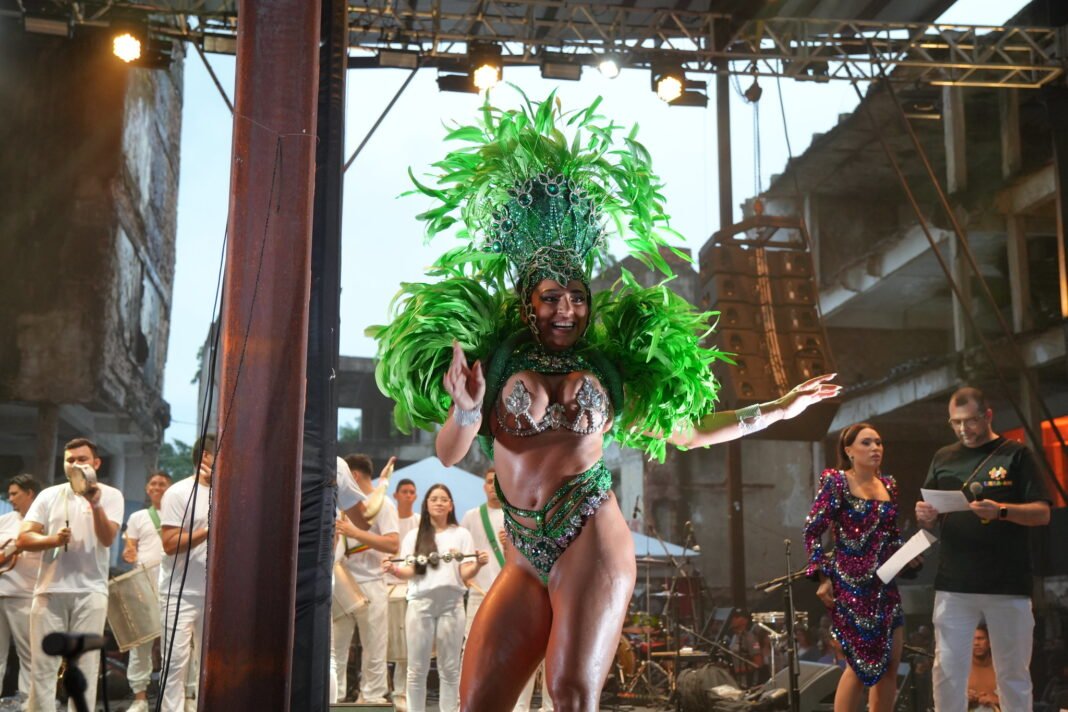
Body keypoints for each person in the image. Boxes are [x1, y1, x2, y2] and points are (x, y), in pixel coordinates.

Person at [368, 93, 838, 711]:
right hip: (523, 549)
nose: (567, 308)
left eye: (578, 297)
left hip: (589, 533)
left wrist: (776, 409)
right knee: (477, 699)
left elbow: (689, 431)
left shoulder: (607, 371)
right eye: (552, 298)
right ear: (528, 303)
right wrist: (467, 410)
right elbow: (451, 455)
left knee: (570, 695)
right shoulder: (496, 362)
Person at [916, 387, 1051, 712]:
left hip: (1008, 583)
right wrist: (924, 515)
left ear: (988, 415)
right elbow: (929, 513)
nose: (963, 429)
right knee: (946, 672)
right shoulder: (943, 457)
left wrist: (1002, 510)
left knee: (1013, 674)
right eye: (956, 422)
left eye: (970, 421)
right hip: (954, 583)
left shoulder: (1016, 454)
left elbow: (1042, 513)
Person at [804, 423, 913, 712]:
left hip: (885, 586)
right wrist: (823, 577)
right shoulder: (837, 482)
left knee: (891, 662)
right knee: (858, 666)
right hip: (850, 587)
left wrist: (908, 555)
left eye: (878, 442)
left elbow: (892, 536)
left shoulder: (889, 485)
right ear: (849, 450)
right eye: (866, 443)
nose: (875, 448)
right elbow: (812, 531)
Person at [18, 437, 124, 712]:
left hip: (90, 592)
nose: (75, 464)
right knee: (42, 665)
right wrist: (52, 540)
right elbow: (23, 538)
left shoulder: (111, 495)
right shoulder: (49, 495)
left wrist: (96, 504)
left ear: (96, 463)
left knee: (85, 666)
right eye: (70, 460)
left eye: (82, 459)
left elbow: (107, 538)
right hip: (49, 591)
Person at [382, 484, 488, 712]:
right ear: (426, 504)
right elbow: (410, 570)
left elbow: (464, 572)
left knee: (449, 668)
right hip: (420, 605)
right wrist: (395, 570)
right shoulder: (414, 536)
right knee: (416, 669)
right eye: (434, 499)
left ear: (451, 505)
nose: (439, 503)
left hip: (452, 605)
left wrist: (478, 564)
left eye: (444, 499)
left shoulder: (461, 535)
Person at [460, 468, 553, 712]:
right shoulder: (472, 516)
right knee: (477, 651)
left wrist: (510, 548)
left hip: (522, 597)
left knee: (529, 653)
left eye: (499, 482)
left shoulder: (525, 517)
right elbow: (464, 555)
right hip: (483, 593)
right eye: (490, 482)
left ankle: (534, 707)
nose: (494, 487)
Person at [333, 453, 399, 704]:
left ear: (353, 475)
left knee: (374, 646)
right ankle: (334, 695)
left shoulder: (384, 505)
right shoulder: (343, 505)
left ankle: (371, 697)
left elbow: (393, 544)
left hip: (371, 582)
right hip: (342, 581)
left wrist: (355, 532)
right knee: (335, 647)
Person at [157, 434, 215, 712]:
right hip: (180, 593)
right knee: (175, 664)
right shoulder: (179, 492)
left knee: (212, 665)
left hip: (216, 594)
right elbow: (169, 544)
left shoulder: (230, 492)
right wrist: (208, 529)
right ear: (205, 457)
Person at [122, 471, 173, 712]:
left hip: (172, 584)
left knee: (175, 644)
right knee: (140, 643)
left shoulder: (180, 513)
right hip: (143, 584)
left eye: (162, 484)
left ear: (170, 488)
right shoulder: (138, 517)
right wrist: (128, 553)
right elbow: (130, 547)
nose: (157, 487)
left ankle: (177, 696)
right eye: (153, 483)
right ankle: (139, 698)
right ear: (146, 488)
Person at [0, 474, 43, 707]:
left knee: (28, 652)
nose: (10, 498)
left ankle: (29, 703)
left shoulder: (44, 522)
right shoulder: (5, 520)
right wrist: (11, 550)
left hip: (26, 593)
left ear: (30, 494)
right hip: (1, 591)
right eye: (9, 493)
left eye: (15, 494)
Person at [387, 478, 419, 708]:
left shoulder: (420, 523)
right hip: (383, 587)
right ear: (395, 495)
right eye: (404, 491)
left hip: (409, 588)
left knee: (404, 646)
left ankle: (400, 693)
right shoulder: (387, 519)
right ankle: (378, 691)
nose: (408, 495)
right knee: (379, 646)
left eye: (412, 492)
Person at [967, 624, 999, 711]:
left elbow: (1018, 699)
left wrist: (995, 700)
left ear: (990, 642)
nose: (976, 643)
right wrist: (962, 698)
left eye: (980, 638)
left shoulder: (1001, 668)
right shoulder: (960, 669)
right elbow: (946, 698)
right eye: (972, 639)